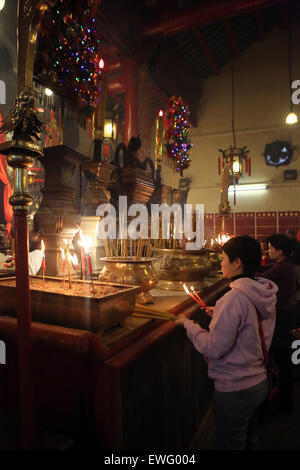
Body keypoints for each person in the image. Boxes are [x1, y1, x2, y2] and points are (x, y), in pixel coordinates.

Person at [175, 235, 278, 450]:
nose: (220, 263)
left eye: (223, 259)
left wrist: (188, 325)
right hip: (259, 381)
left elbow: (213, 348)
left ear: (237, 262)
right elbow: (250, 326)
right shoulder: (262, 291)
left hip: (236, 388)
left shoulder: (233, 299)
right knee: (250, 437)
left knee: (232, 444)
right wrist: (220, 315)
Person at [260, 234, 296, 412]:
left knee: (281, 359)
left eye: (271, 248)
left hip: (282, 318)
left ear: (280, 251)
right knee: (282, 359)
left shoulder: (283, 267)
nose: (268, 251)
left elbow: (263, 277)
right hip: (284, 315)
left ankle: (284, 401)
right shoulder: (285, 265)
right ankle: (284, 399)